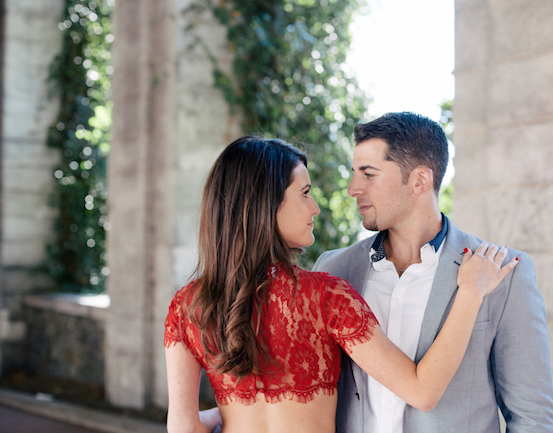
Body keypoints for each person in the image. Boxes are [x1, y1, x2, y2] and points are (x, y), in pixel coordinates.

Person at [164, 136, 518, 433]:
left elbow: (183, 428)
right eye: (304, 193)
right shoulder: (325, 297)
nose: (315, 208)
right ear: (266, 206)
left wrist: (227, 413)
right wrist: (470, 293)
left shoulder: (186, 307)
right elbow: (422, 391)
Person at [313, 112, 553, 433]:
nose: (352, 188)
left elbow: (532, 416)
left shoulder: (504, 272)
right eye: (354, 173)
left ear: (420, 180)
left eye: (368, 174)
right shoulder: (333, 271)